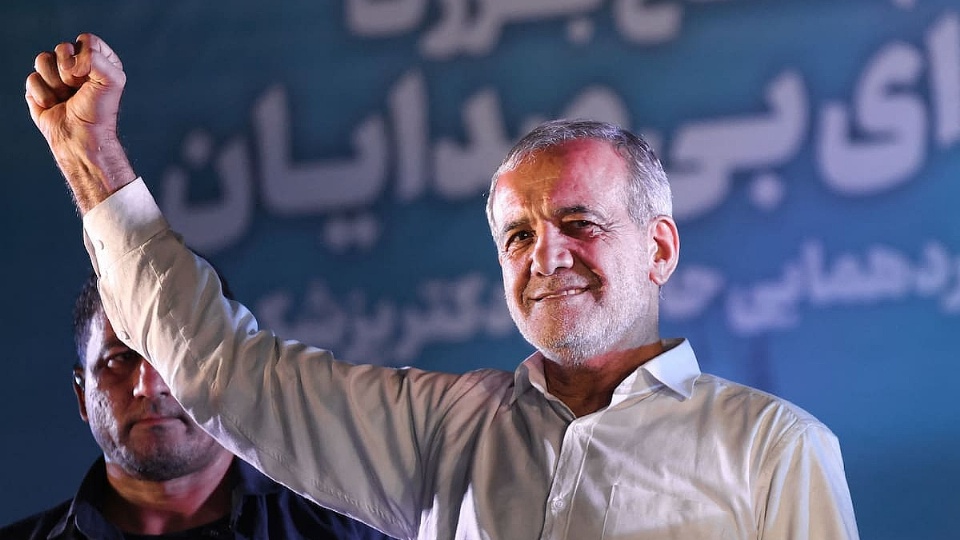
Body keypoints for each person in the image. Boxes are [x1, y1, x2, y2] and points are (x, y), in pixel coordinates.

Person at [25, 33, 860, 539]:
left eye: (579, 223)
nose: (547, 256)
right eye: (519, 236)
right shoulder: (445, 432)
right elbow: (221, 371)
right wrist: (92, 159)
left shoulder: (772, 450)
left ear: (661, 248)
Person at [0, 273, 393, 540]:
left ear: (234, 374)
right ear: (82, 395)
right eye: (120, 359)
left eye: (177, 355)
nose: (150, 386)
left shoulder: (353, 530)